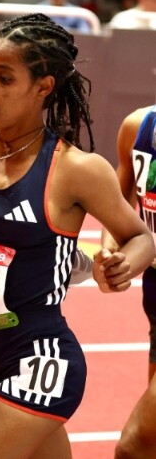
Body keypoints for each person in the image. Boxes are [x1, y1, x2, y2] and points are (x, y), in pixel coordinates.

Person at [0, 13, 154, 458]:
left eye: (4, 78)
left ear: (43, 87)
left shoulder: (75, 169)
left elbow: (141, 238)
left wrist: (123, 266)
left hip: (41, 362)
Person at [101, 105, 156, 459]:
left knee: (135, 447)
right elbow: (119, 206)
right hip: (154, 293)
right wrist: (110, 251)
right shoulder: (138, 128)